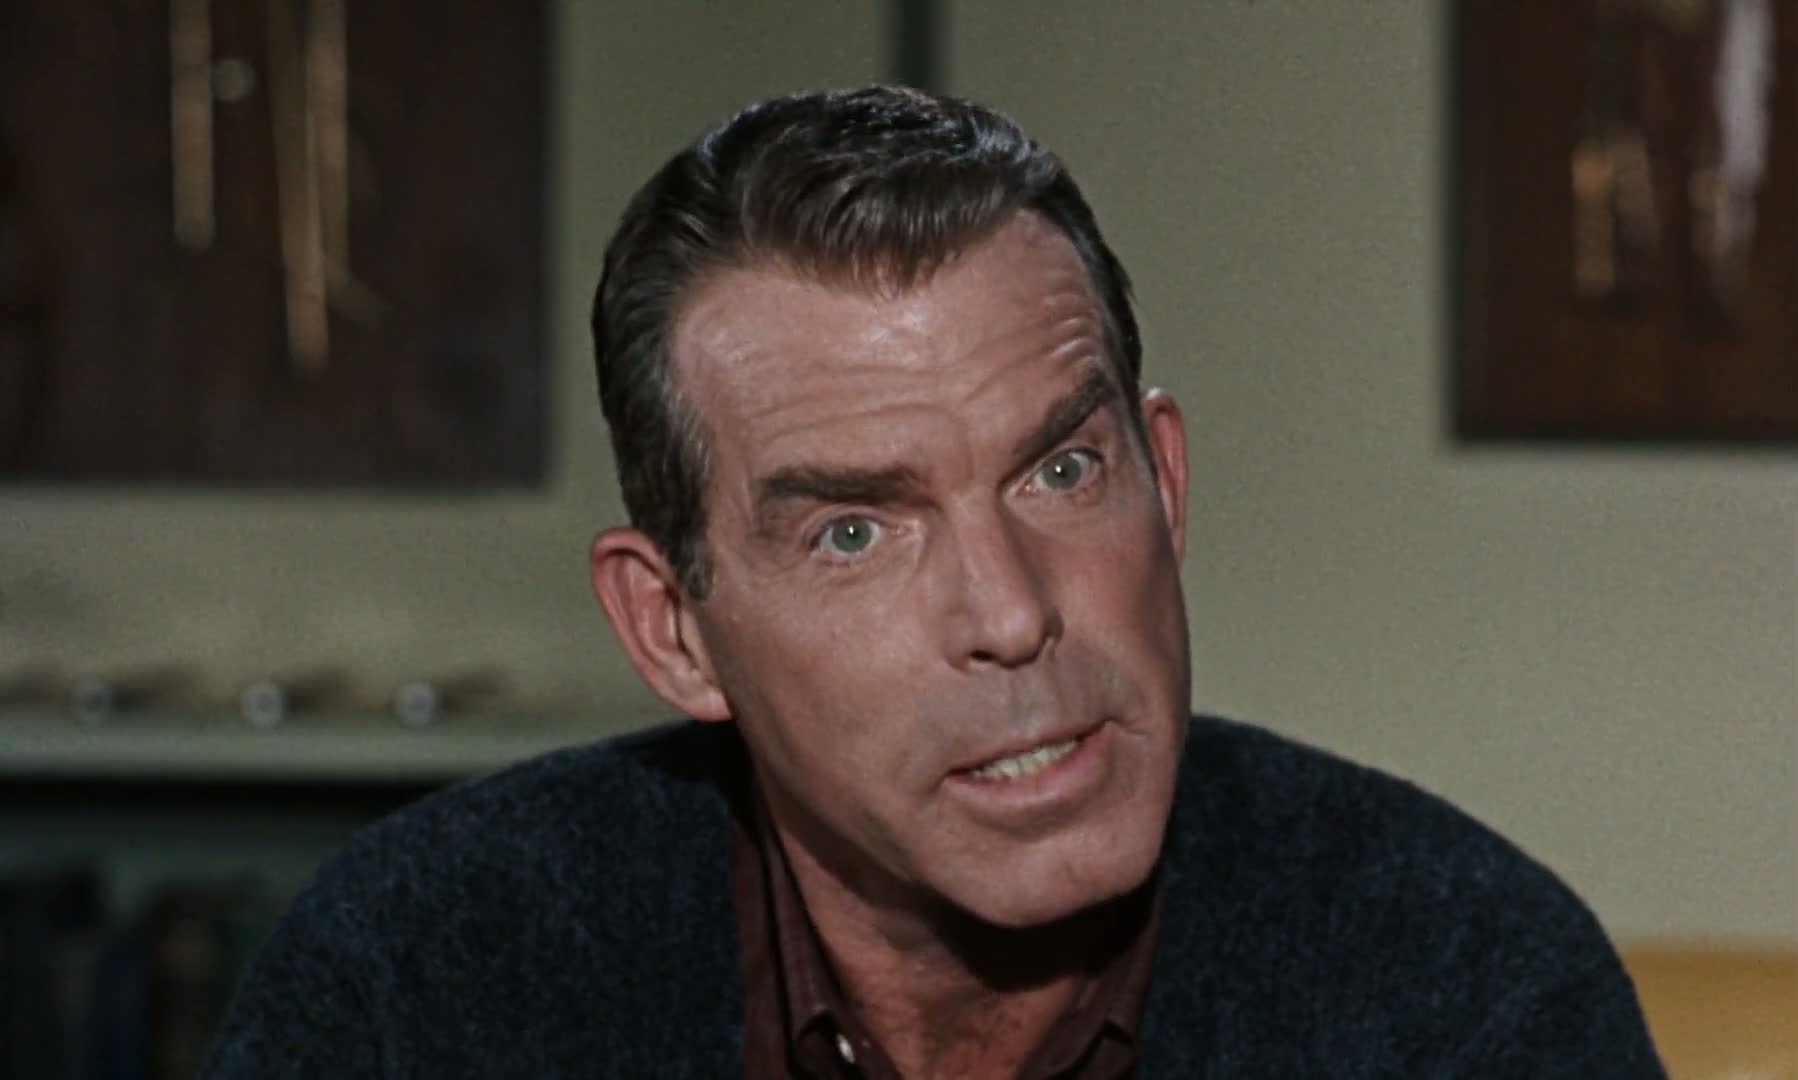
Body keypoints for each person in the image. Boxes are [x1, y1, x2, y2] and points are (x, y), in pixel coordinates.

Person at [201, 85, 1665, 1077]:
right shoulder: (423, 989)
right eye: (855, 532)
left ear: (1163, 482)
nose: (1012, 614)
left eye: (1060, 471)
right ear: (673, 630)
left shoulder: (1464, 994)